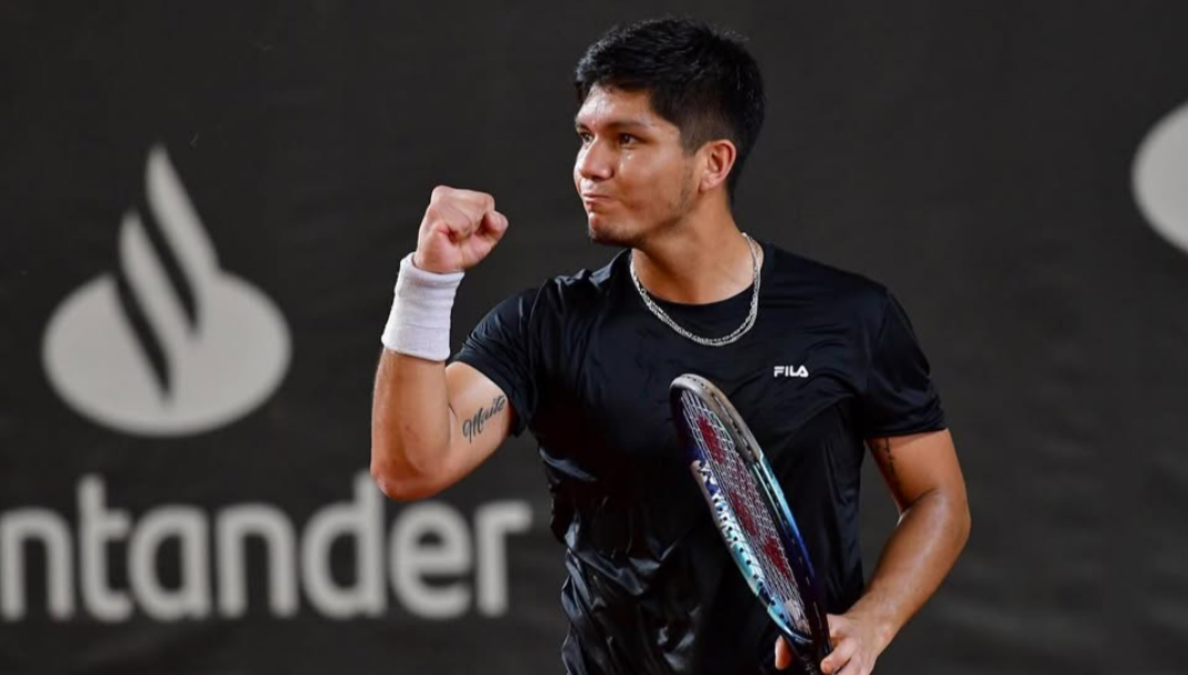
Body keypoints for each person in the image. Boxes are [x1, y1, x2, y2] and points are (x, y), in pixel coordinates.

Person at [370, 16, 970, 675]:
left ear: (713, 162)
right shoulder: (546, 325)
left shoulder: (854, 318)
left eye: (627, 139)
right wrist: (427, 281)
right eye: (586, 136)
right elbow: (409, 466)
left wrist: (874, 620)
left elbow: (938, 497)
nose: (589, 167)